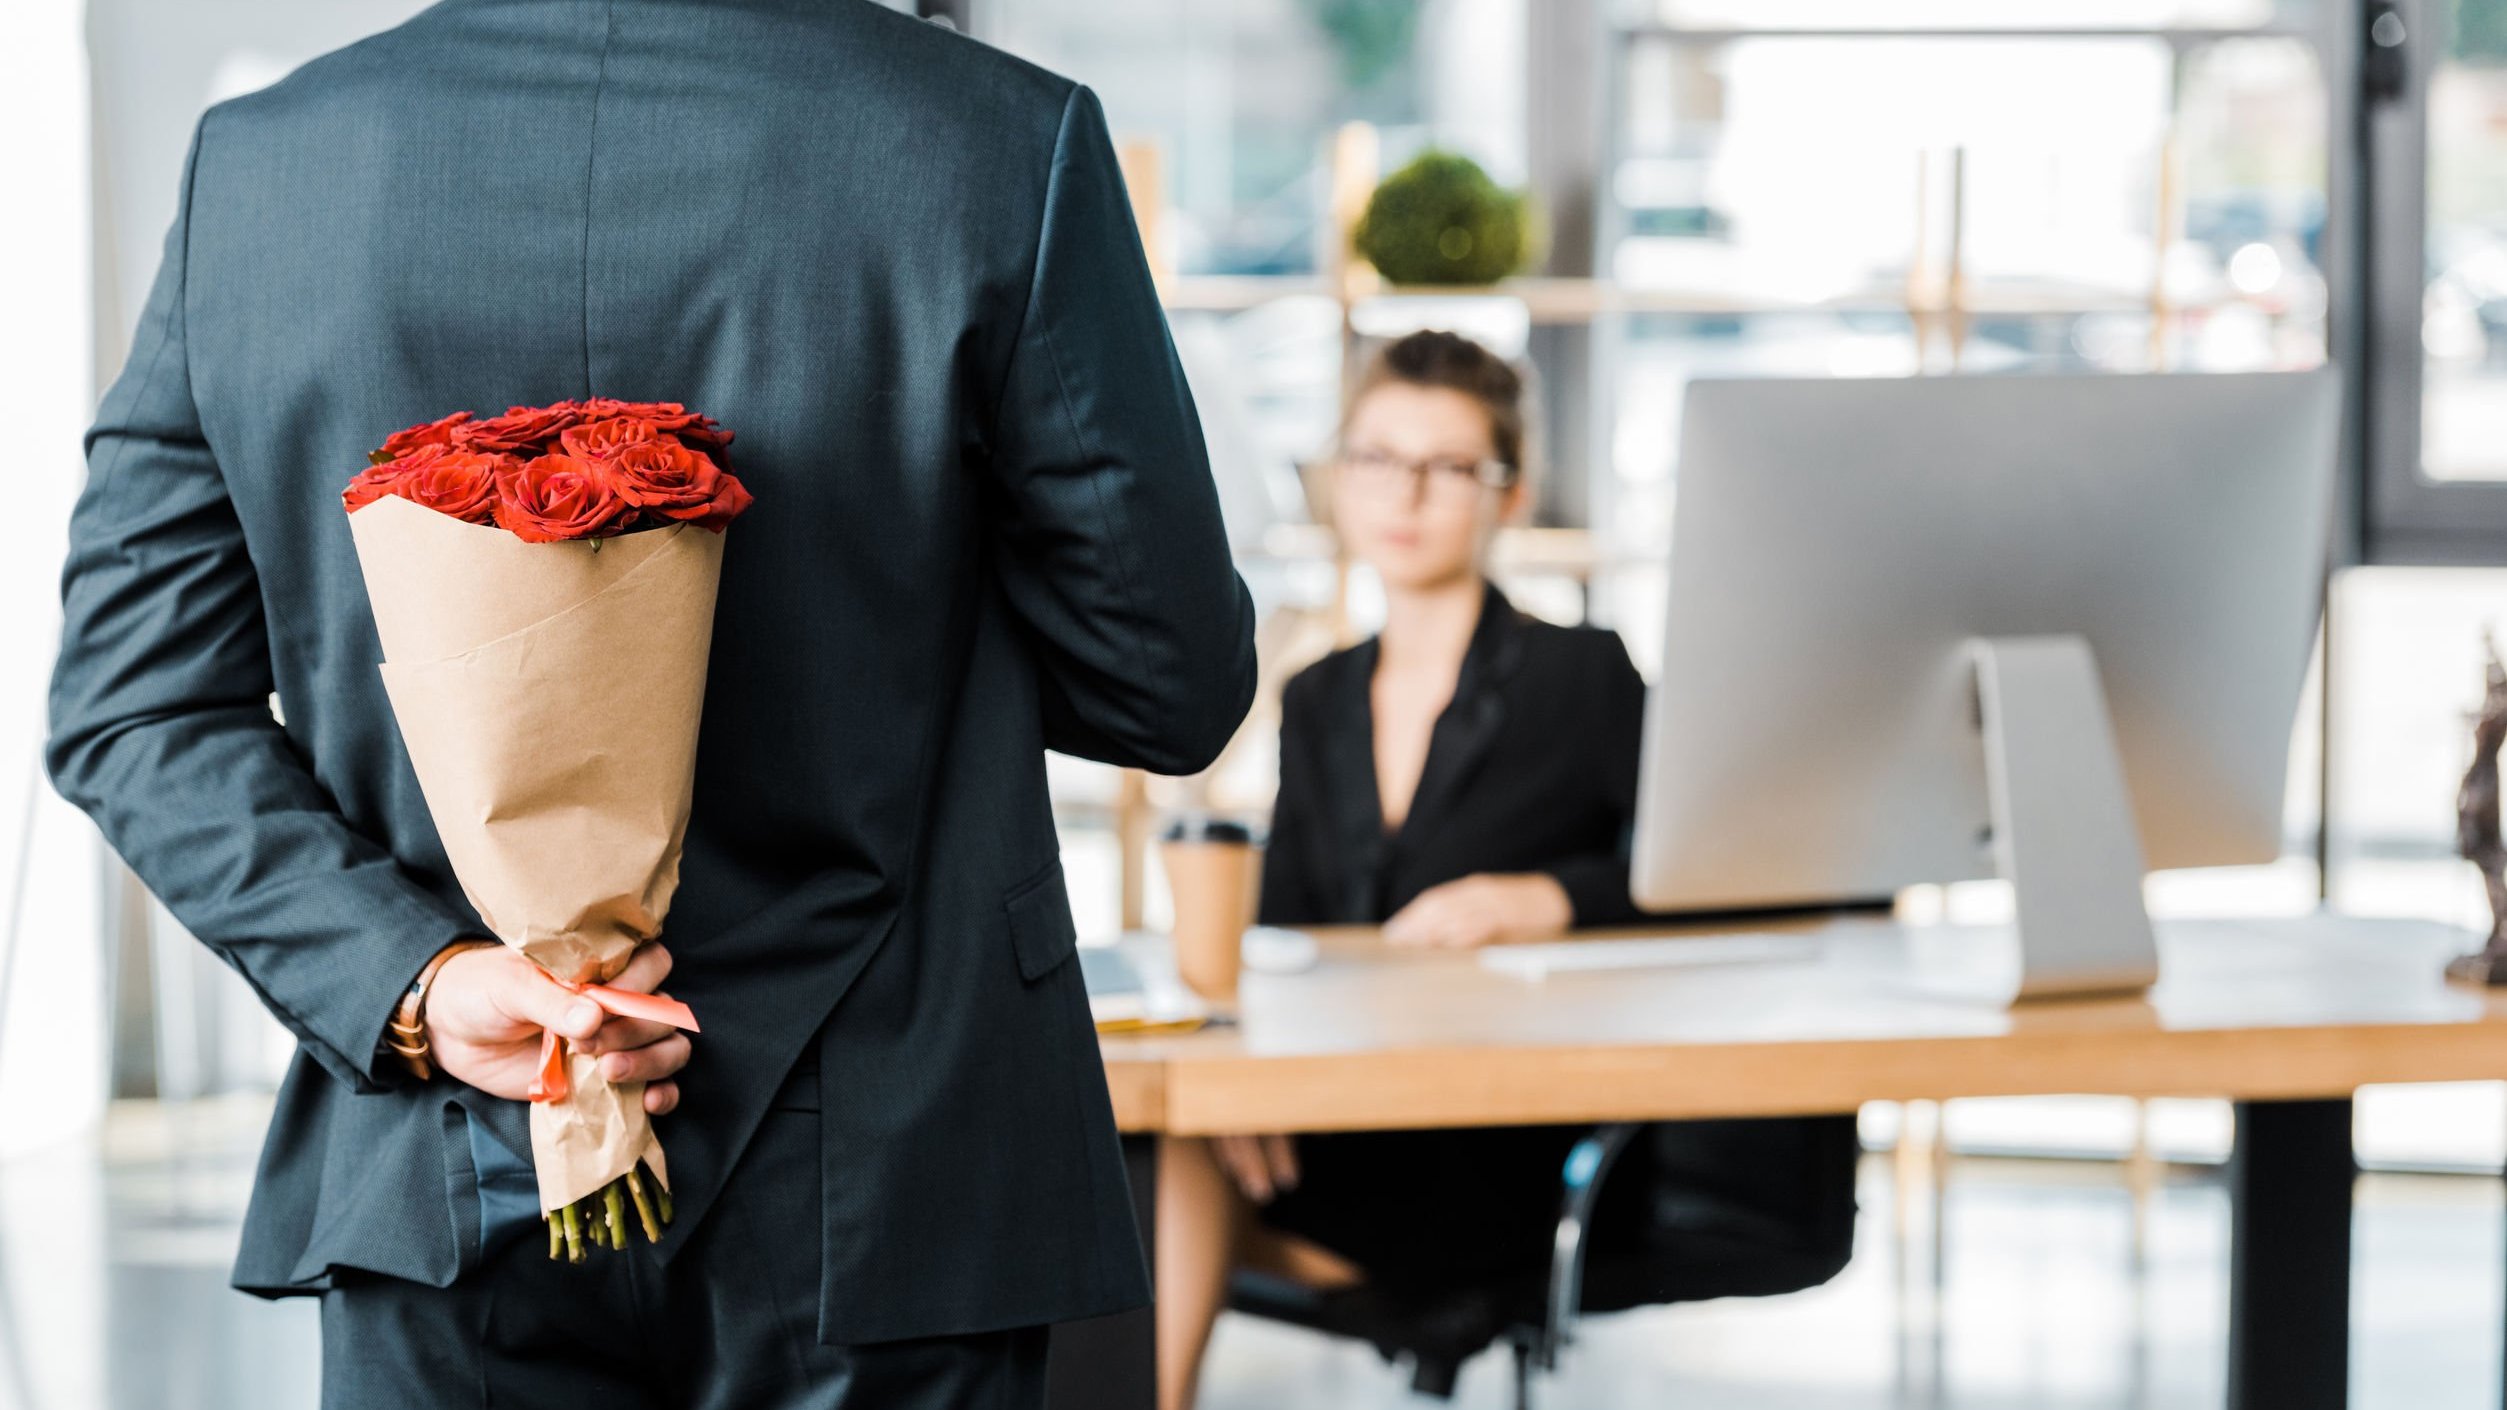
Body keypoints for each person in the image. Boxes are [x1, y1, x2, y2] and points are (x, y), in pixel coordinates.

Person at [45, 4, 1256, 1407]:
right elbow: (1169, 686)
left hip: (442, 1153)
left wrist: (417, 982)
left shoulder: (262, 164)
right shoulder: (990, 143)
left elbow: (134, 703)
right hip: (890, 1173)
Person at [1153, 330, 1856, 1410]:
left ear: (1508, 495)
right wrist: (1238, 1083)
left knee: (1153, 1180)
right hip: (1338, 1116)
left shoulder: (1583, 675)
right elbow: (1285, 931)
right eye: (1376, 459)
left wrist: (1551, 898)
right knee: (1139, 1154)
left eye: (1447, 468)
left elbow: (1740, 867)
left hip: (1502, 1139)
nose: (1406, 496)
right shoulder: (1316, 698)